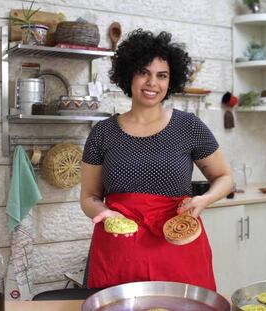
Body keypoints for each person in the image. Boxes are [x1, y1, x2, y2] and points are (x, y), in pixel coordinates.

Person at [80, 29, 233, 291]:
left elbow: (224, 178)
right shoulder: (102, 133)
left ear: (170, 81)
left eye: (162, 75)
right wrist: (104, 214)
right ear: (129, 75)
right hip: (119, 249)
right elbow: (89, 197)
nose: (153, 82)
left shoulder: (189, 127)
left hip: (178, 248)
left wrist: (204, 199)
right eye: (144, 72)